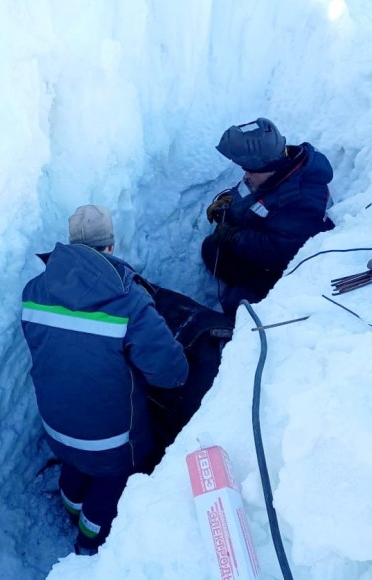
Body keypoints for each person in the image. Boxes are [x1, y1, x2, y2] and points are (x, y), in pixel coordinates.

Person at [21, 204, 189, 555]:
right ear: (109, 247)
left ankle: (70, 507)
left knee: (76, 464)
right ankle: (88, 544)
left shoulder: (34, 290)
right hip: (111, 441)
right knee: (109, 485)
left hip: (55, 425)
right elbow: (171, 373)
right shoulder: (127, 301)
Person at [201, 117, 334, 321]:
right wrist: (228, 208)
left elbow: (277, 252)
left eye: (250, 171)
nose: (246, 176)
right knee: (212, 249)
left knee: (237, 307)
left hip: (287, 266)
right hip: (267, 241)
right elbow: (250, 196)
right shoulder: (273, 171)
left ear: (267, 168)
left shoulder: (303, 200)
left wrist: (234, 237)